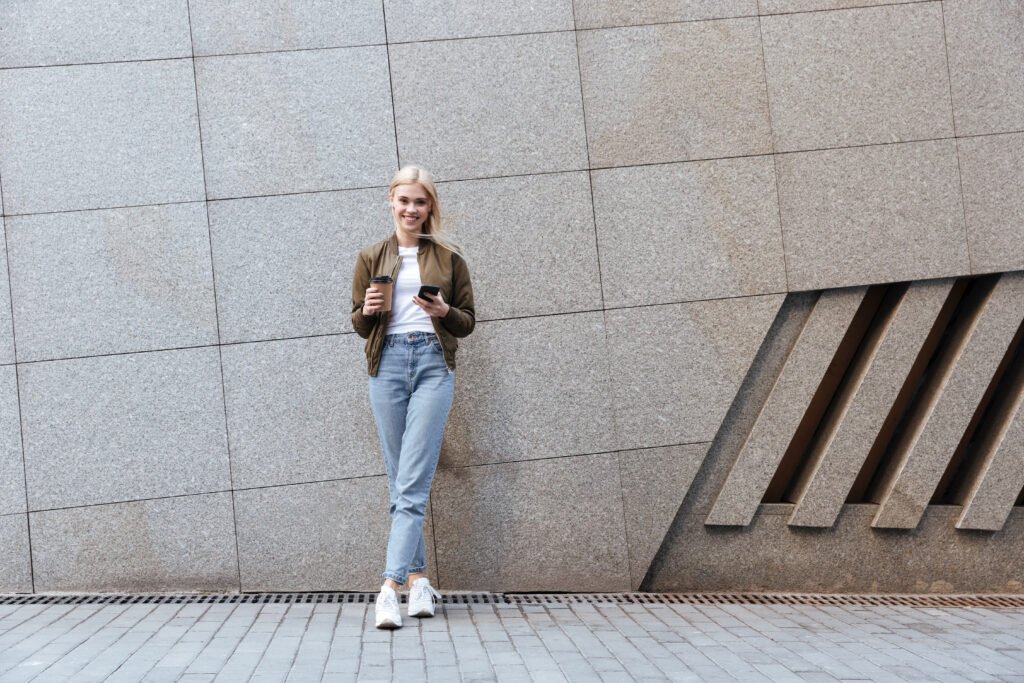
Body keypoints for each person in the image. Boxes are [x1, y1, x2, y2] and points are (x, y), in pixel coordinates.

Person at [351, 165, 475, 629]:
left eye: (420, 202)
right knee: (400, 478)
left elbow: (467, 320)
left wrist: (443, 310)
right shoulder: (370, 256)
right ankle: (420, 580)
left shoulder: (449, 257)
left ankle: (388, 588)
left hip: (432, 367)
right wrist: (367, 310)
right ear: (391, 201)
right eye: (404, 201)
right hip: (386, 368)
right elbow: (359, 326)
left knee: (413, 480)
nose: (411, 209)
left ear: (430, 208)